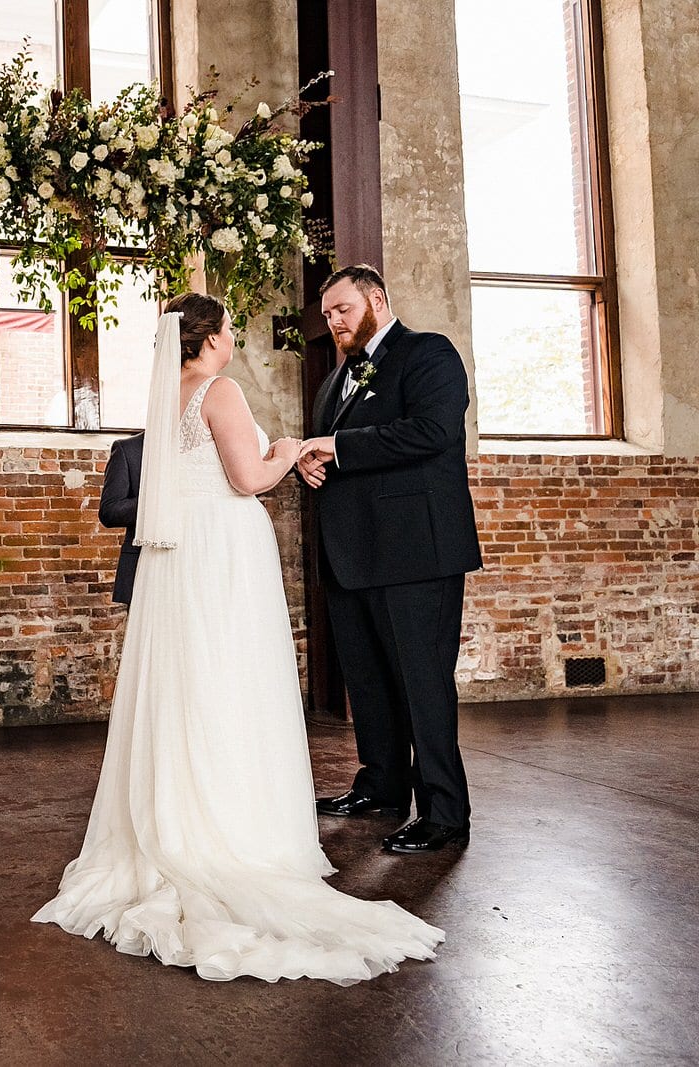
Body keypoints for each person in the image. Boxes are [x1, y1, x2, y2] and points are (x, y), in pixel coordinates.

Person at [33, 292, 443, 984]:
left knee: (191, 686)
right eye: (228, 327)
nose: (233, 336)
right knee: (230, 684)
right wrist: (286, 450)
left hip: (182, 556)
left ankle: (179, 816)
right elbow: (248, 478)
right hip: (222, 550)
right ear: (211, 338)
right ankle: (232, 831)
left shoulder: (168, 395)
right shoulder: (219, 390)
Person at [297, 265, 483, 854]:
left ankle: (444, 812)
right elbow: (332, 451)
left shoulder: (428, 354)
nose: (334, 323)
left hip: (417, 555)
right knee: (369, 682)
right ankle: (381, 786)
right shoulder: (335, 380)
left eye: (343, 310)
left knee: (422, 684)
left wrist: (338, 446)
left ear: (376, 299)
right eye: (328, 315)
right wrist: (311, 461)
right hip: (353, 556)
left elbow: (431, 432)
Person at [98, 431, 144, 606]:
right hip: (142, 566)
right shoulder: (128, 449)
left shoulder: (209, 449)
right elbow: (109, 512)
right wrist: (154, 501)